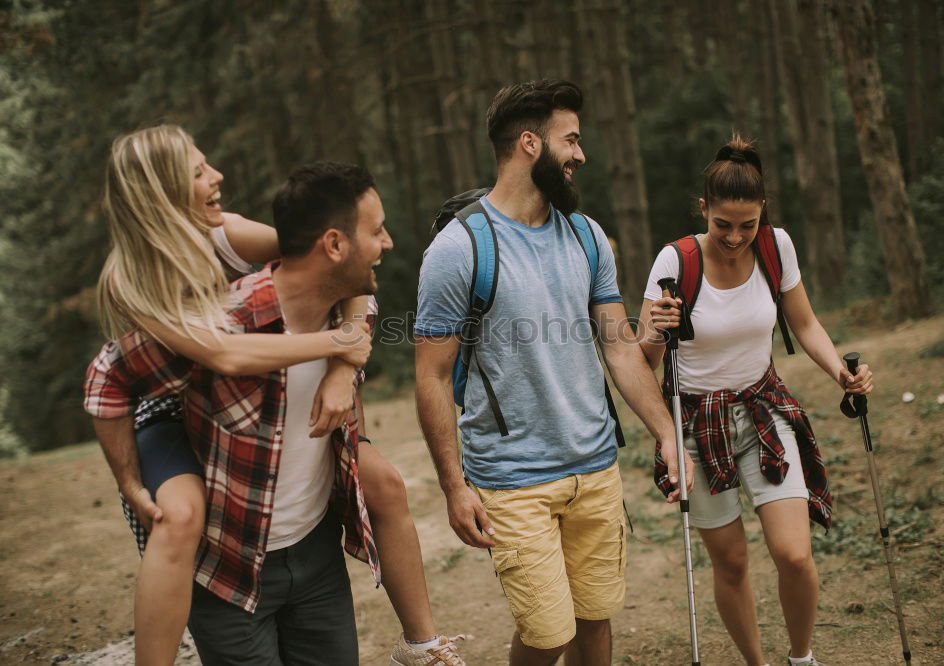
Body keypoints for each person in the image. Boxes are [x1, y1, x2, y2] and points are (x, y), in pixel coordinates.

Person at [89, 127, 464, 666]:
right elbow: (223, 355)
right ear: (159, 193)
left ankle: (422, 645)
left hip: (262, 373)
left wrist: (341, 369)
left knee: (382, 481)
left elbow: (337, 263)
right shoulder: (132, 281)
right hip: (170, 401)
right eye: (197, 172)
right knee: (181, 517)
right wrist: (128, 481)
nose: (216, 176)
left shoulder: (229, 234)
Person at [414, 79, 694, 666]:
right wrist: (452, 486)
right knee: (549, 637)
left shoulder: (588, 237)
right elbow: (433, 377)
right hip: (514, 481)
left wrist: (667, 434)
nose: (581, 155)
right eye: (571, 140)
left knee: (594, 622)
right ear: (529, 144)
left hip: (595, 469)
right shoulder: (460, 248)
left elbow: (619, 349)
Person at [637, 134, 874, 666]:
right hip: (697, 424)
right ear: (704, 210)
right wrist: (654, 329)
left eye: (748, 225)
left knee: (793, 553)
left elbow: (805, 323)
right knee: (733, 564)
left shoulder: (776, 245)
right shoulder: (674, 262)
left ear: (762, 212)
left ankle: (801, 657)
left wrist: (842, 373)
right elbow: (642, 360)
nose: (736, 237)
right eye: (723, 224)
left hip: (763, 408)